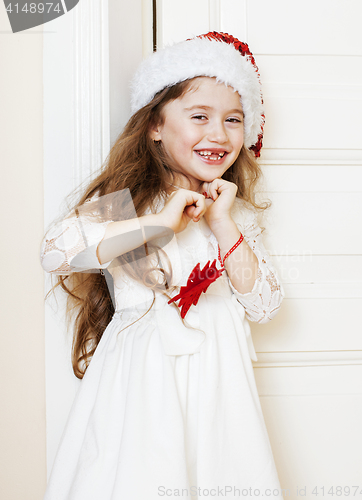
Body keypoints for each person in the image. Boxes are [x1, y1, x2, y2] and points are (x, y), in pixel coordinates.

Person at [40, 32, 284, 500]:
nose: (219, 134)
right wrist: (159, 223)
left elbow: (265, 305)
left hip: (220, 383)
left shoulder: (233, 215)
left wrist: (222, 222)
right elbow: (56, 251)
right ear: (155, 124)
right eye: (199, 117)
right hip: (144, 381)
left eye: (234, 120)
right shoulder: (129, 204)